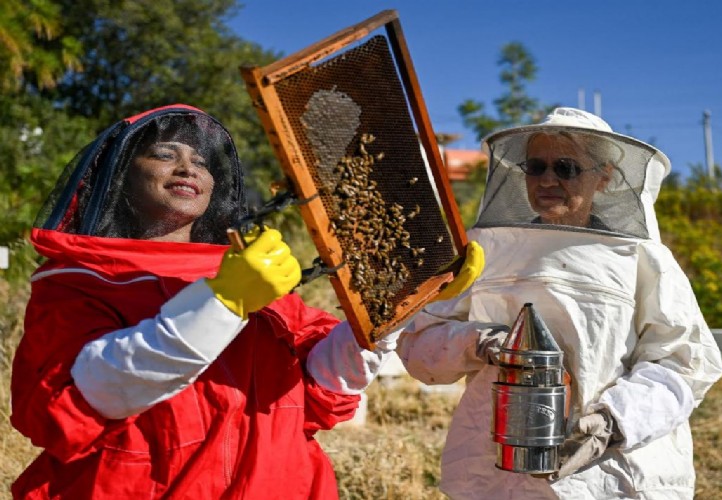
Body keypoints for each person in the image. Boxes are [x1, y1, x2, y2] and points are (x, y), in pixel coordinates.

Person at [9, 103, 482, 499]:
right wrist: (223, 302)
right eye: (163, 154)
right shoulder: (79, 280)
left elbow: (321, 389)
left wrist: (396, 305)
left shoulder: (251, 271)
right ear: (120, 179)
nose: (188, 167)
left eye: (201, 160)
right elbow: (88, 396)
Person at [396, 107, 722, 499]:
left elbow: (685, 363)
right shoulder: (483, 251)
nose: (548, 179)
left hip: (609, 474)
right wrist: (477, 342)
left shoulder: (641, 258)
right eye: (535, 167)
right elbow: (419, 342)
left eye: (566, 167)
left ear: (603, 177)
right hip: (496, 468)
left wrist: (611, 423)